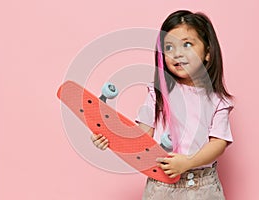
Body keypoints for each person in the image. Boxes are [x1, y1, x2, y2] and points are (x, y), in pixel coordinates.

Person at [91, 10, 234, 200]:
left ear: (208, 52)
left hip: (203, 187)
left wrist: (188, 162)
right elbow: (141, 136)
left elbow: (218, 143)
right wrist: (109, 137)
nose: (177, 54)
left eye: (187, 44)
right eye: (169, 47)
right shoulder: (157, 94)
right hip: (161, 186)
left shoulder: (217, 100)